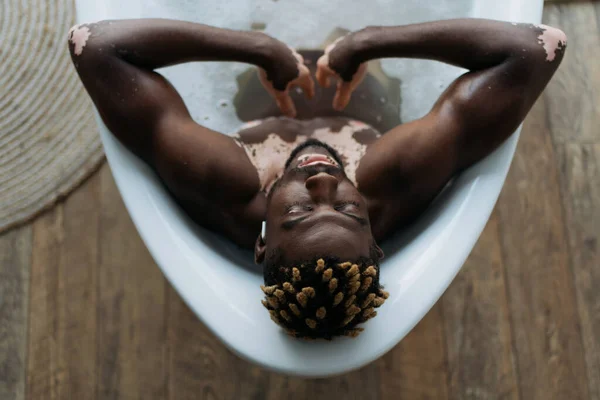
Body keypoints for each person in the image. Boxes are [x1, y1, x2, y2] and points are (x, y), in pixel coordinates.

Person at [68, 18, 566, 339]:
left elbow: (92, 47)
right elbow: (541, 47)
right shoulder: (391, 179)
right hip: (366, 89)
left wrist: (256, 47)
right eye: (350, 210)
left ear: (261, 242)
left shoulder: (223, 182)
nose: (324, 183)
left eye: (299, 212)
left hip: (256, 88)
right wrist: (371, 40)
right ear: (376, 236)